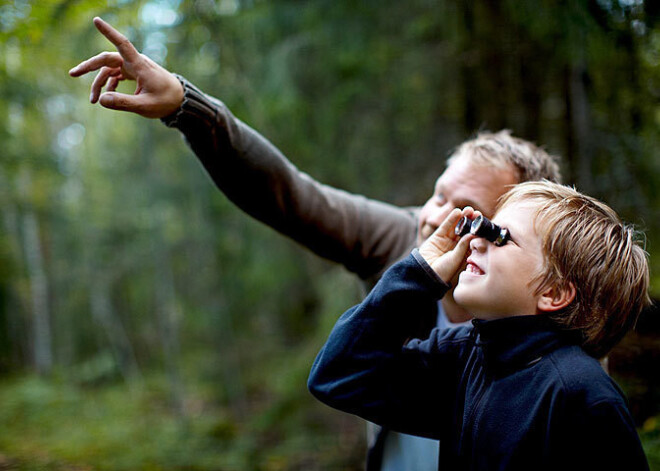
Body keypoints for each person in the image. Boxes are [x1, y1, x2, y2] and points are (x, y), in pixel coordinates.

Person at [69, 17, 562, 471]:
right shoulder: (400, 238)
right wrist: (186, 105)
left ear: (510, 227)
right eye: (437, 194)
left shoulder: (552, 337)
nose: (434, 216)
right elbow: (289, 194)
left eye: (465, 206)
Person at [308, 181, 651, 470]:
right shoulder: (462, 358)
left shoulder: (582, 397)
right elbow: (338, 374)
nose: (474, 239)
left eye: (499, 236)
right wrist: (419, 274)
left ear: (554, 292)